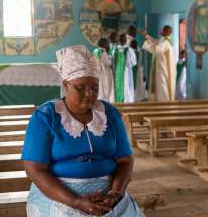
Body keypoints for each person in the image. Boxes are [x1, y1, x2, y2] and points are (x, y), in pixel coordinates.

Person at [22, 45, 145, 217]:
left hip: (108, 193)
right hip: (59, 194)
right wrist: (76, 201)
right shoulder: (45, 117)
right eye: (80, 88)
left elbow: (125, 160)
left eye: (94, 87)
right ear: (66, 85)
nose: (89, 94)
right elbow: (34, 169)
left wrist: (115, 194)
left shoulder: (109, 114)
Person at [141, 25, 175, 101]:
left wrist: (146, 44)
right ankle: (158, 101)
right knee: (159, 85)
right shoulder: (163, 40)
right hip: (160, 67)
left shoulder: (166, 43)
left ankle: (163, 102)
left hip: (163, 69)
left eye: (163, 30)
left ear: (166, 32)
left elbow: (156, 49)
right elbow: (155, 42)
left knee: (162, 85)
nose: (161, 31)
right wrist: (146, 36)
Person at [113, 34, 137, 103]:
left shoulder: (115, 50)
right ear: (126, 40)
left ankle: (120, 100)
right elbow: (134, 62)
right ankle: (127, 101)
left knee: (119, 86)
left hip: (118, 72)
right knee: (127, 86)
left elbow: (113, 61)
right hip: (126, 71)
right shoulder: (129, 50)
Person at [93, 38, 115, 103]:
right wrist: (111, 58)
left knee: (100, 88)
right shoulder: (102, 52)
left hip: (97, 72)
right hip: (105, 73)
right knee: (106, 88)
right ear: (104, 44)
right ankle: (106, 102)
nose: (107, 45)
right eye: (106, 43)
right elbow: (108, 63)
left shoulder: (95, 51)